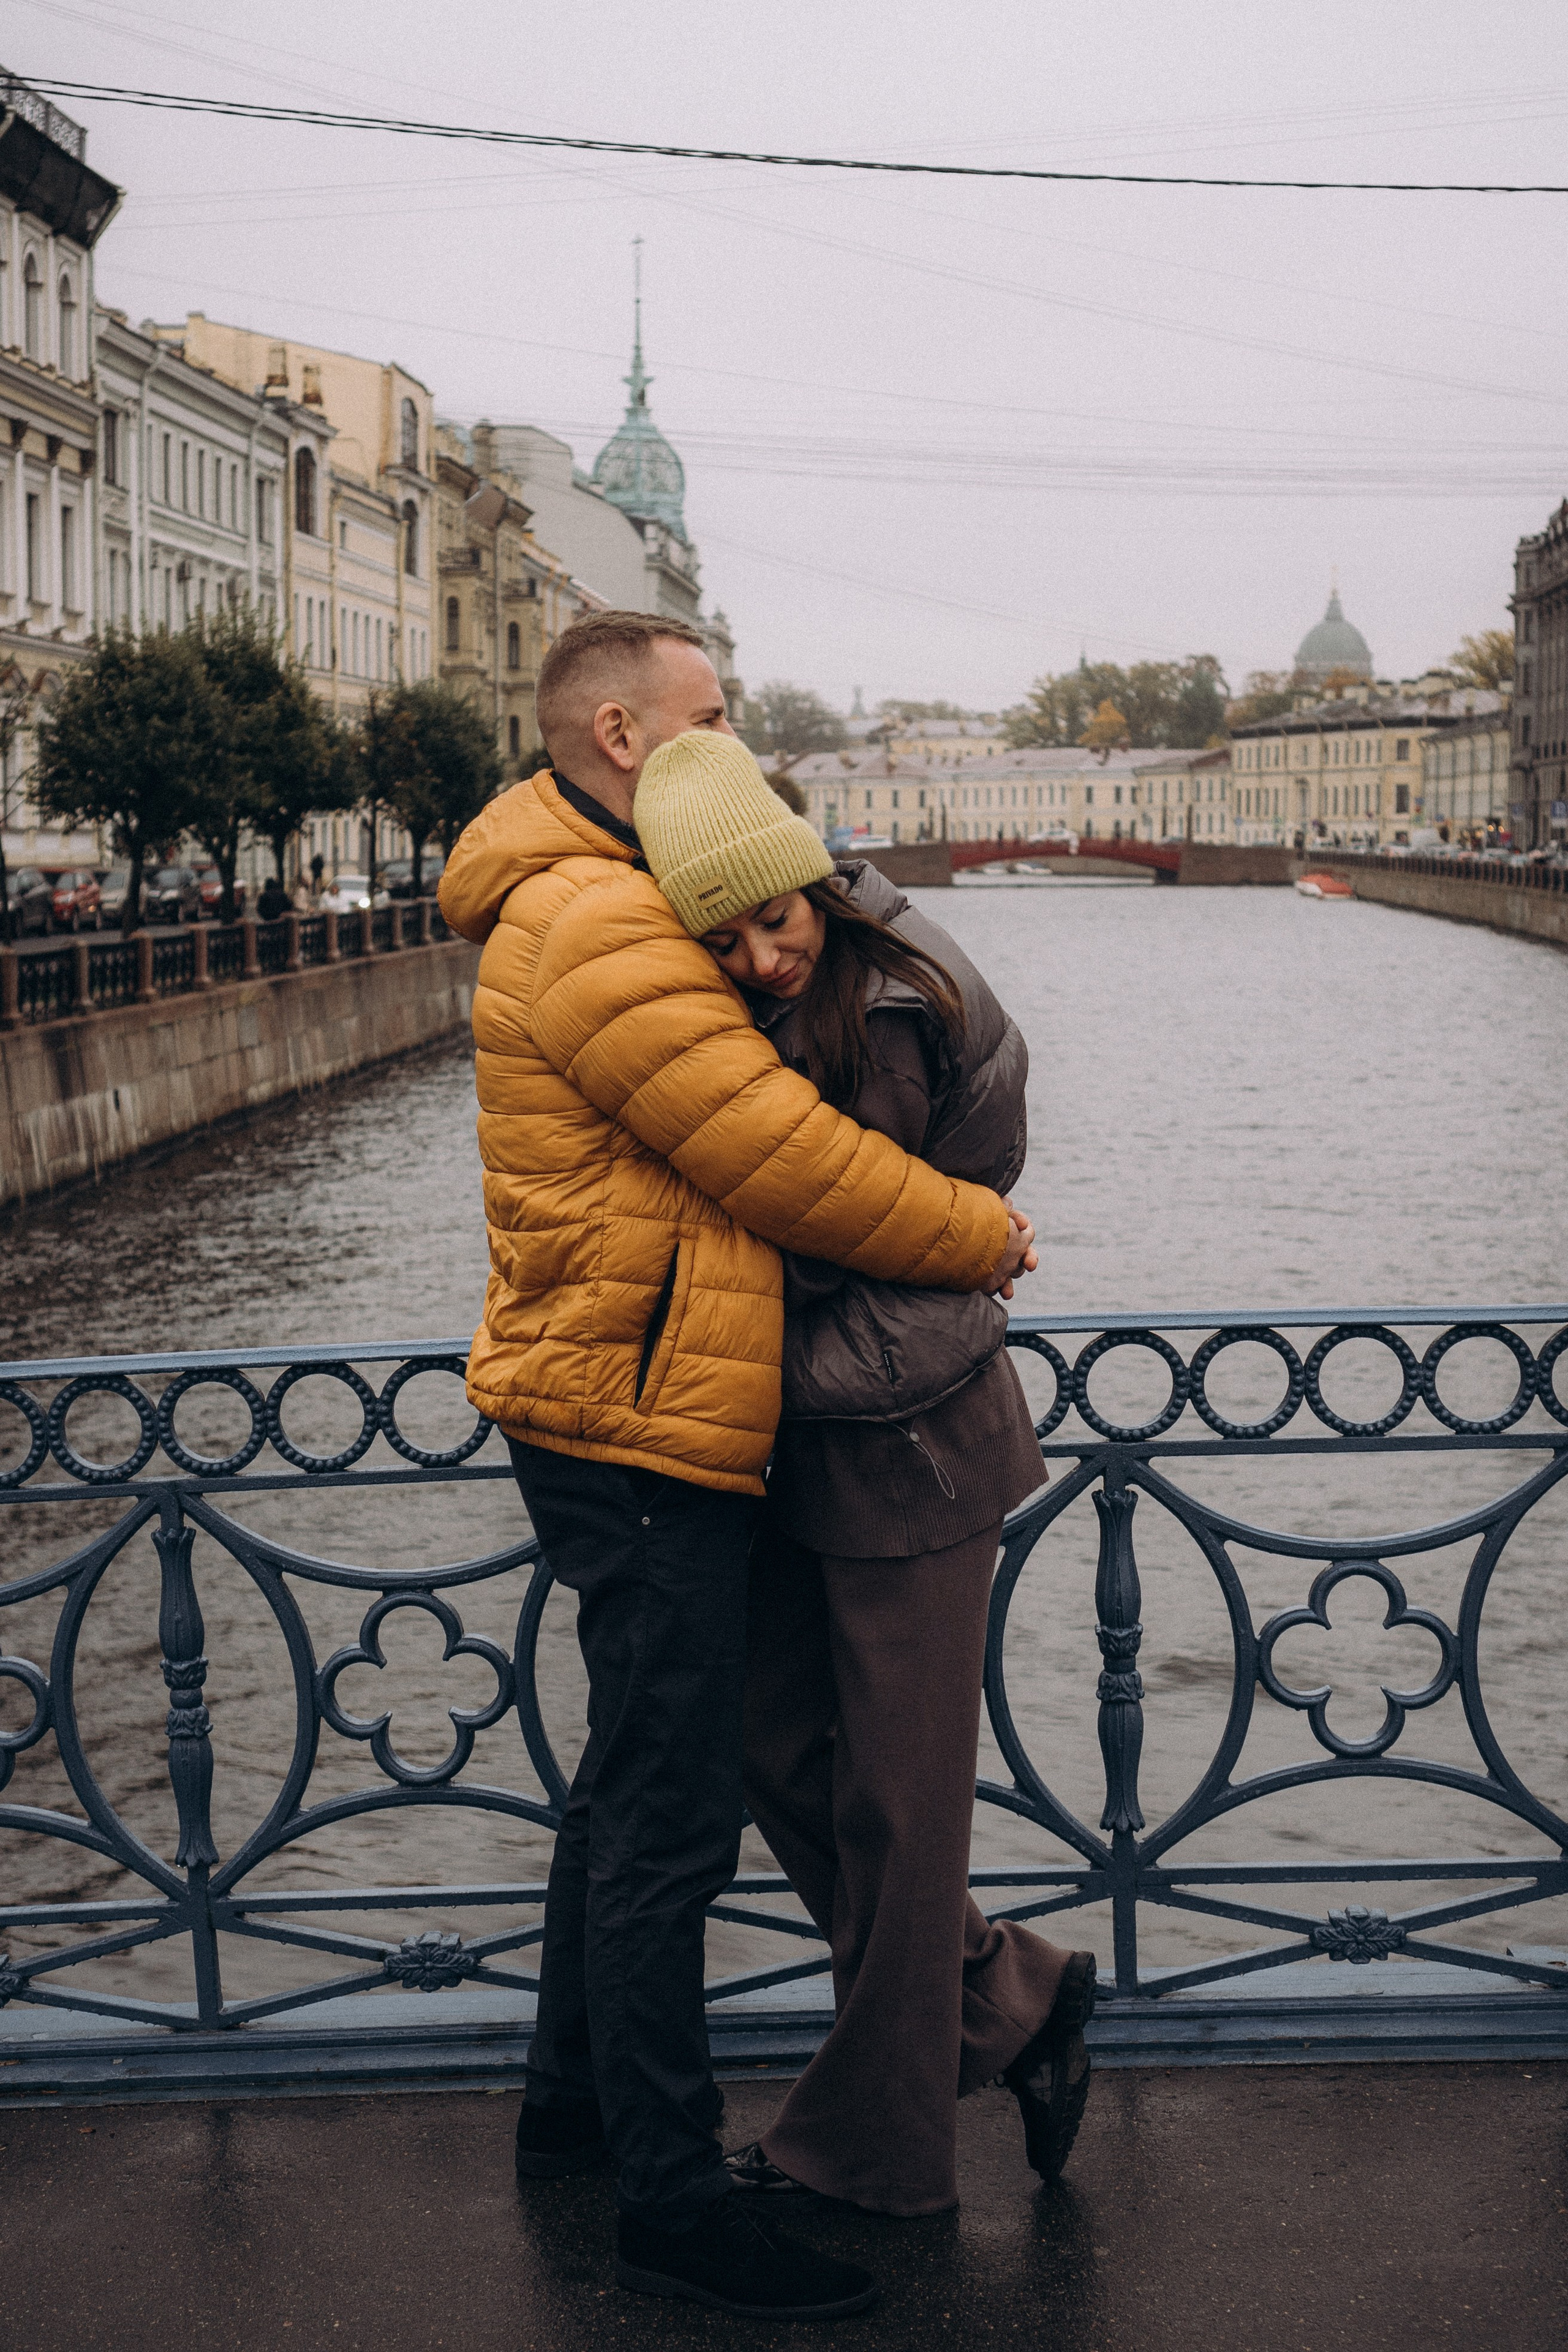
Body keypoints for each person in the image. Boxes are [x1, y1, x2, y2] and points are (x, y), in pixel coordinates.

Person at [437, 612, 1033, 2322]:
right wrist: (979, 1233)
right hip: (641, 1415)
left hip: (625, 1392)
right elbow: (774, 1155)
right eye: (710, 715)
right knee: (673, 1821)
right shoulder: (599, 913)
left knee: (631, 1785)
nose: (734, 736)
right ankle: (675, 2199)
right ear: (622, 732)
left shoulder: (611, 887)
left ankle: (572, 2109)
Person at [635, 728, 1098, 2222]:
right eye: (721, 940)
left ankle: (874, 2161)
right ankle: (1009, 1999)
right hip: (803, 1429)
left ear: (811, 888)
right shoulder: (802, 1000)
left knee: (901, 1822)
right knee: (776, 1752)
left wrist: (711, 1240)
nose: (759, 959)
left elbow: (854, 1221)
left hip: (911, 1440)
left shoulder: (882, 1009)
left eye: (768, 921)